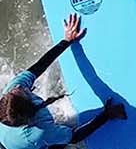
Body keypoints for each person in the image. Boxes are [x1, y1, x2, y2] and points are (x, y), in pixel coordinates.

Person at [0, 14, 125, 149]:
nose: (19, 86)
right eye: (22, 91)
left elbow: (40, 65)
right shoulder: (38, 132)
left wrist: (66, 41)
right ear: (29, 104)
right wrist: (106, 115)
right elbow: (74, 137)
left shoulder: (11, 94)